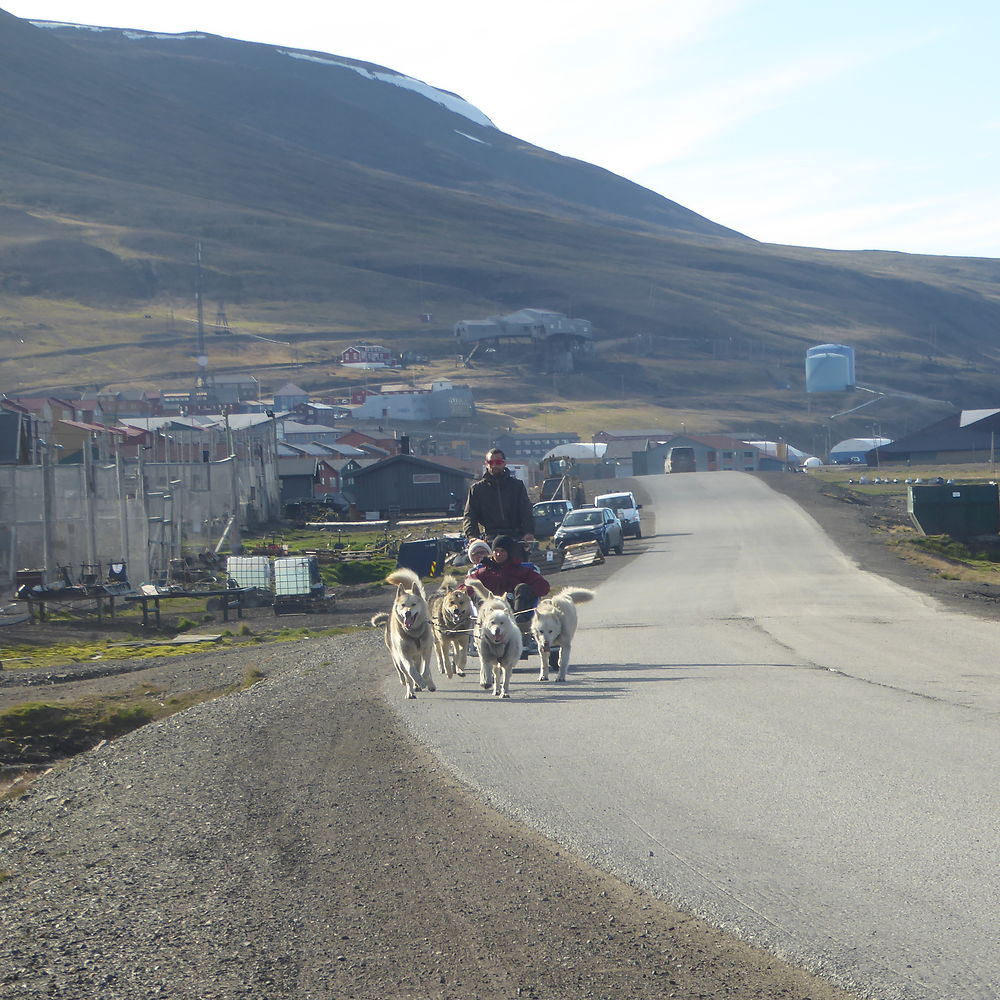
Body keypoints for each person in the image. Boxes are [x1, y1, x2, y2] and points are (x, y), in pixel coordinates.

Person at [465, 534, 550, 655]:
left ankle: (520, 626)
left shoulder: (521, 570)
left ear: (509, 552)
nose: (498, 554)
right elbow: (466, 585)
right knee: (478, 591)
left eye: (502, 551)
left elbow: (543, 587)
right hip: (489, 614)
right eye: (496, 551)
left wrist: (526, 591)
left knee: (523, 588)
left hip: (515, 611)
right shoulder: (484, 571)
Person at [463, 448, 535, 545]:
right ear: (486, 463)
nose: (494, 465)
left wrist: (528, 532)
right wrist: (473, 536)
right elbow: (470, 516)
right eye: (490, 462)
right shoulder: (477, 489)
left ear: (504, 463)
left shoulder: (517, 486)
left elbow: (526, 511)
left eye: (498, 462)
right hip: (490, 537)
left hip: (516, 536)